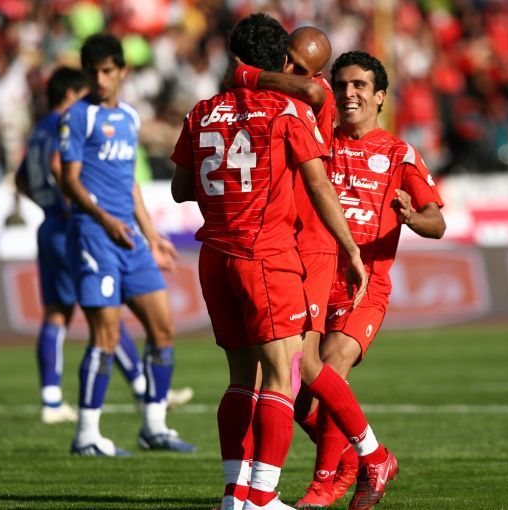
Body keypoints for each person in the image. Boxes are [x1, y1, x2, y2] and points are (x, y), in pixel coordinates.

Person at [170, 14, 367, 510]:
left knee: (241, 379)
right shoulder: (286, 110)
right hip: (264, 255)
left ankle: (234, 496)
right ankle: (262, 497)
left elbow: (180, 189)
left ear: (235, 57)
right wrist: (350, 248)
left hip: (214, 256)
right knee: (283, 374)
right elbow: (318, 185)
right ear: (280, 61)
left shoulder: (200, 112)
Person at [230, 29, 401, 510]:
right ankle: (256, 488)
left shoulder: (315, 92)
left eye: (297, 67)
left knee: (304, 365)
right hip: (286, 242)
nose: (287, 71)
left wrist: (245, 75)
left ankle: (370, 456)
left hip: (314, 246)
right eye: (286, 61)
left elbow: (305, 88)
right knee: (281, 380)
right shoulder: (284, 101)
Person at [312, 51, 446, 509]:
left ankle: (324, 483)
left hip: (364, 288)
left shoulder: (398, 153)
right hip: (313, 281)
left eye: (360, 85)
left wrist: (411, 217)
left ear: (381, 95)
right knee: (299, 396)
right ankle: (362, 457)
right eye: (341, 85)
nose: (349, 93)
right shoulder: (318, 143)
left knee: (330, 366)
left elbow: (436, 223)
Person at [59, 34, 195, 455]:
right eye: (93, 73)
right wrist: (105, 219)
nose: (100, 80)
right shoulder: (78, 117)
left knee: (163, 327)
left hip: (130, 239)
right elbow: (69, 180)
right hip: (94, 235)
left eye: (107, 71)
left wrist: (151, 235)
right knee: (106, 333)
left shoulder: (131, 117)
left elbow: (129, 181)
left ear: (122, 71)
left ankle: (154, 426)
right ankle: (86, 435)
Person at [15, 66, 154, 424]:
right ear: (70, 94)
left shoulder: (38, 130)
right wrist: (72, 205)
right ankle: (143, 388)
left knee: (57, 314)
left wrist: (47, 204)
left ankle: (51, 399)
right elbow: (57, 164)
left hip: (49, 225)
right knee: (104, 311)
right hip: (70, 226)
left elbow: (21, 178)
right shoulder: (67, 121)